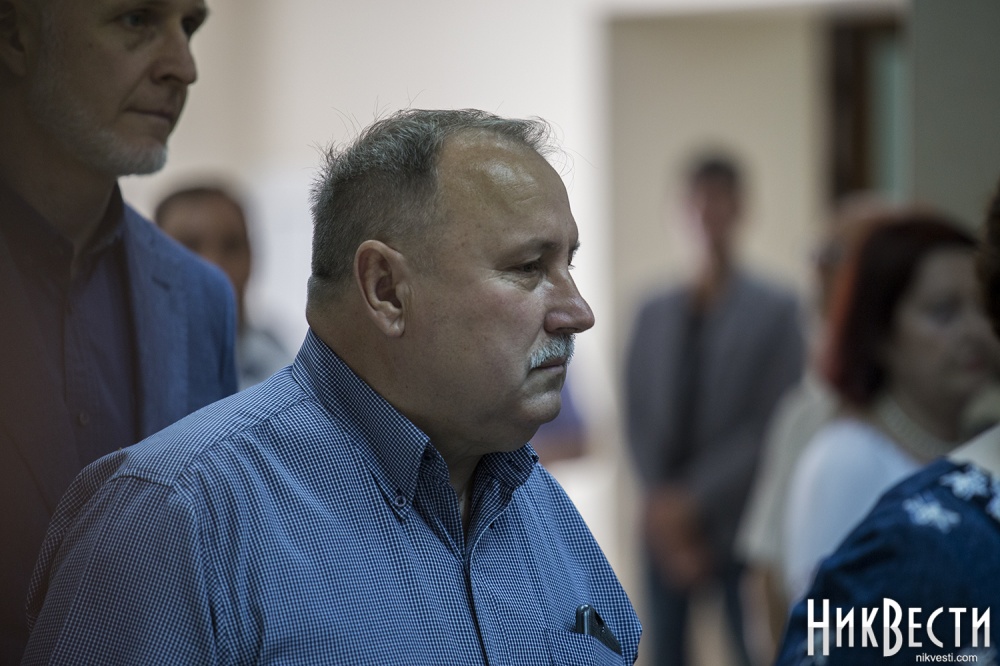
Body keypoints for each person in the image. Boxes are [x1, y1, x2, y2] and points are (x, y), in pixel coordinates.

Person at [22, 109, 642, 664]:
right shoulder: (175, 519)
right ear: (386, 290)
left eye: (568, 264)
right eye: (529, 267)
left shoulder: (538, 508)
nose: (578, 311)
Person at [0, 0, 236, 661]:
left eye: (189, 27)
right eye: (137, 20)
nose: (183, 67)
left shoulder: (200, 300)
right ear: (16, 35)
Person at [775, 183, 1000, 666]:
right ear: (880, 332)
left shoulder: (983, 443)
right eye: (943, 312)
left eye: (980, 309)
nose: (973, 332)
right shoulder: (844, 459)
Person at [624, 154, 804, 666]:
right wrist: (663, 505)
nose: (707, 214)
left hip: (740, 519)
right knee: (664, 652)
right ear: (678, 211)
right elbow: (637, 415)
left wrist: (693, 500)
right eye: (696, 202)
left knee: (752, 650)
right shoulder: (651, 311)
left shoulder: (777, 309)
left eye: (719, 201)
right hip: (663, 524)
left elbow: (772, 424)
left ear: (741, 209)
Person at [156, 186, 293, 389]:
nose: (214, 265)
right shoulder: (124, 376)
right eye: (188, 247)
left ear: (252, 257)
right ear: (153, 261)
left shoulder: (288, 377)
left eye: (231, 246)